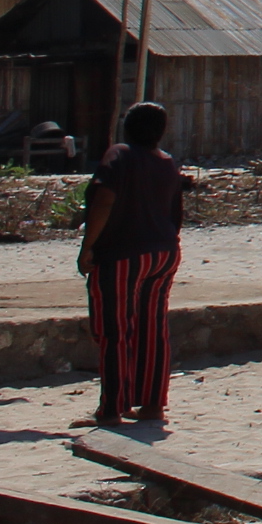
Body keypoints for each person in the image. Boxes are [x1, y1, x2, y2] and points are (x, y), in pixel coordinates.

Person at [75, 101, 192, 430]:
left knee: (114, 330)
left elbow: (105, 199)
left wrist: (88, 247)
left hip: (123, 254)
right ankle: (152, 404)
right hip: (164, 252)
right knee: (152, 329)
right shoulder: (167, 163)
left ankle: (111, 408)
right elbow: (175, 214)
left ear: (128, 127)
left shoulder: (119, 155)